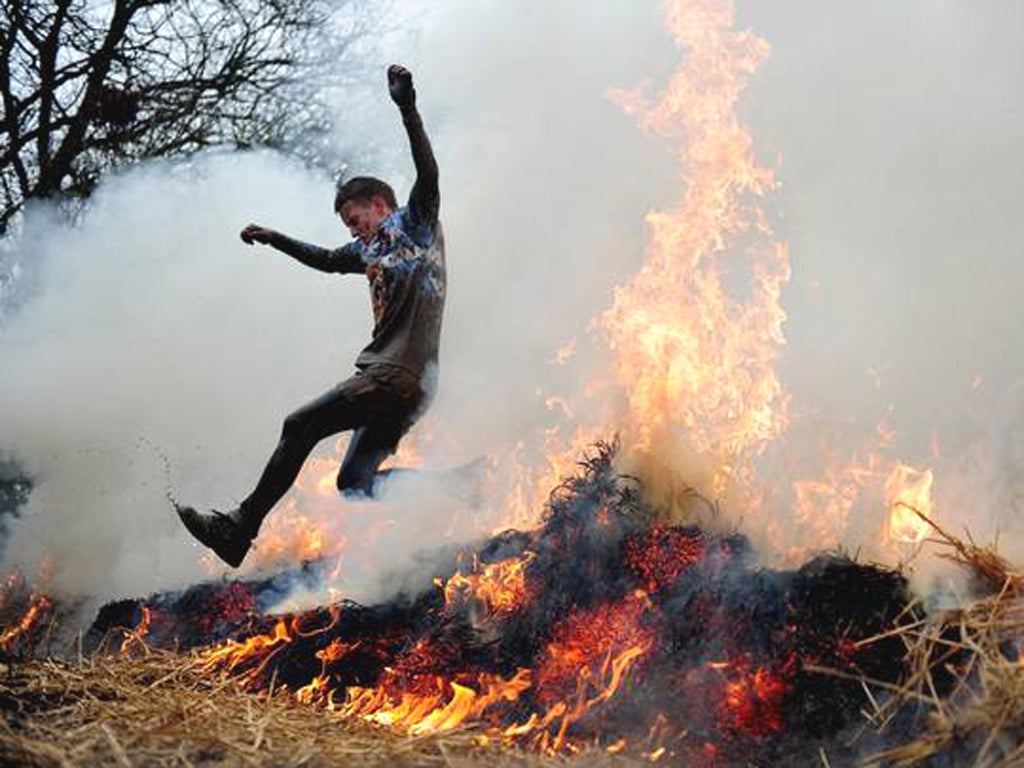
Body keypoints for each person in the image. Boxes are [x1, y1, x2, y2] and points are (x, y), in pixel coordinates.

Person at [176, 64, 444, 568]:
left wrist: (407, 107)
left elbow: (428, 172)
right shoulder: (366, 252)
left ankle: (239, 528)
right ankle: (459, 485)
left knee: (299, 425)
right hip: (414, 388)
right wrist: (276, 238)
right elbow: (324, 259)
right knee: (354, 485)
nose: (355, 231)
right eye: (348, 226)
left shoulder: (417, 222)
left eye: (356, 218)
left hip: (394, 375)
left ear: (379, 204)